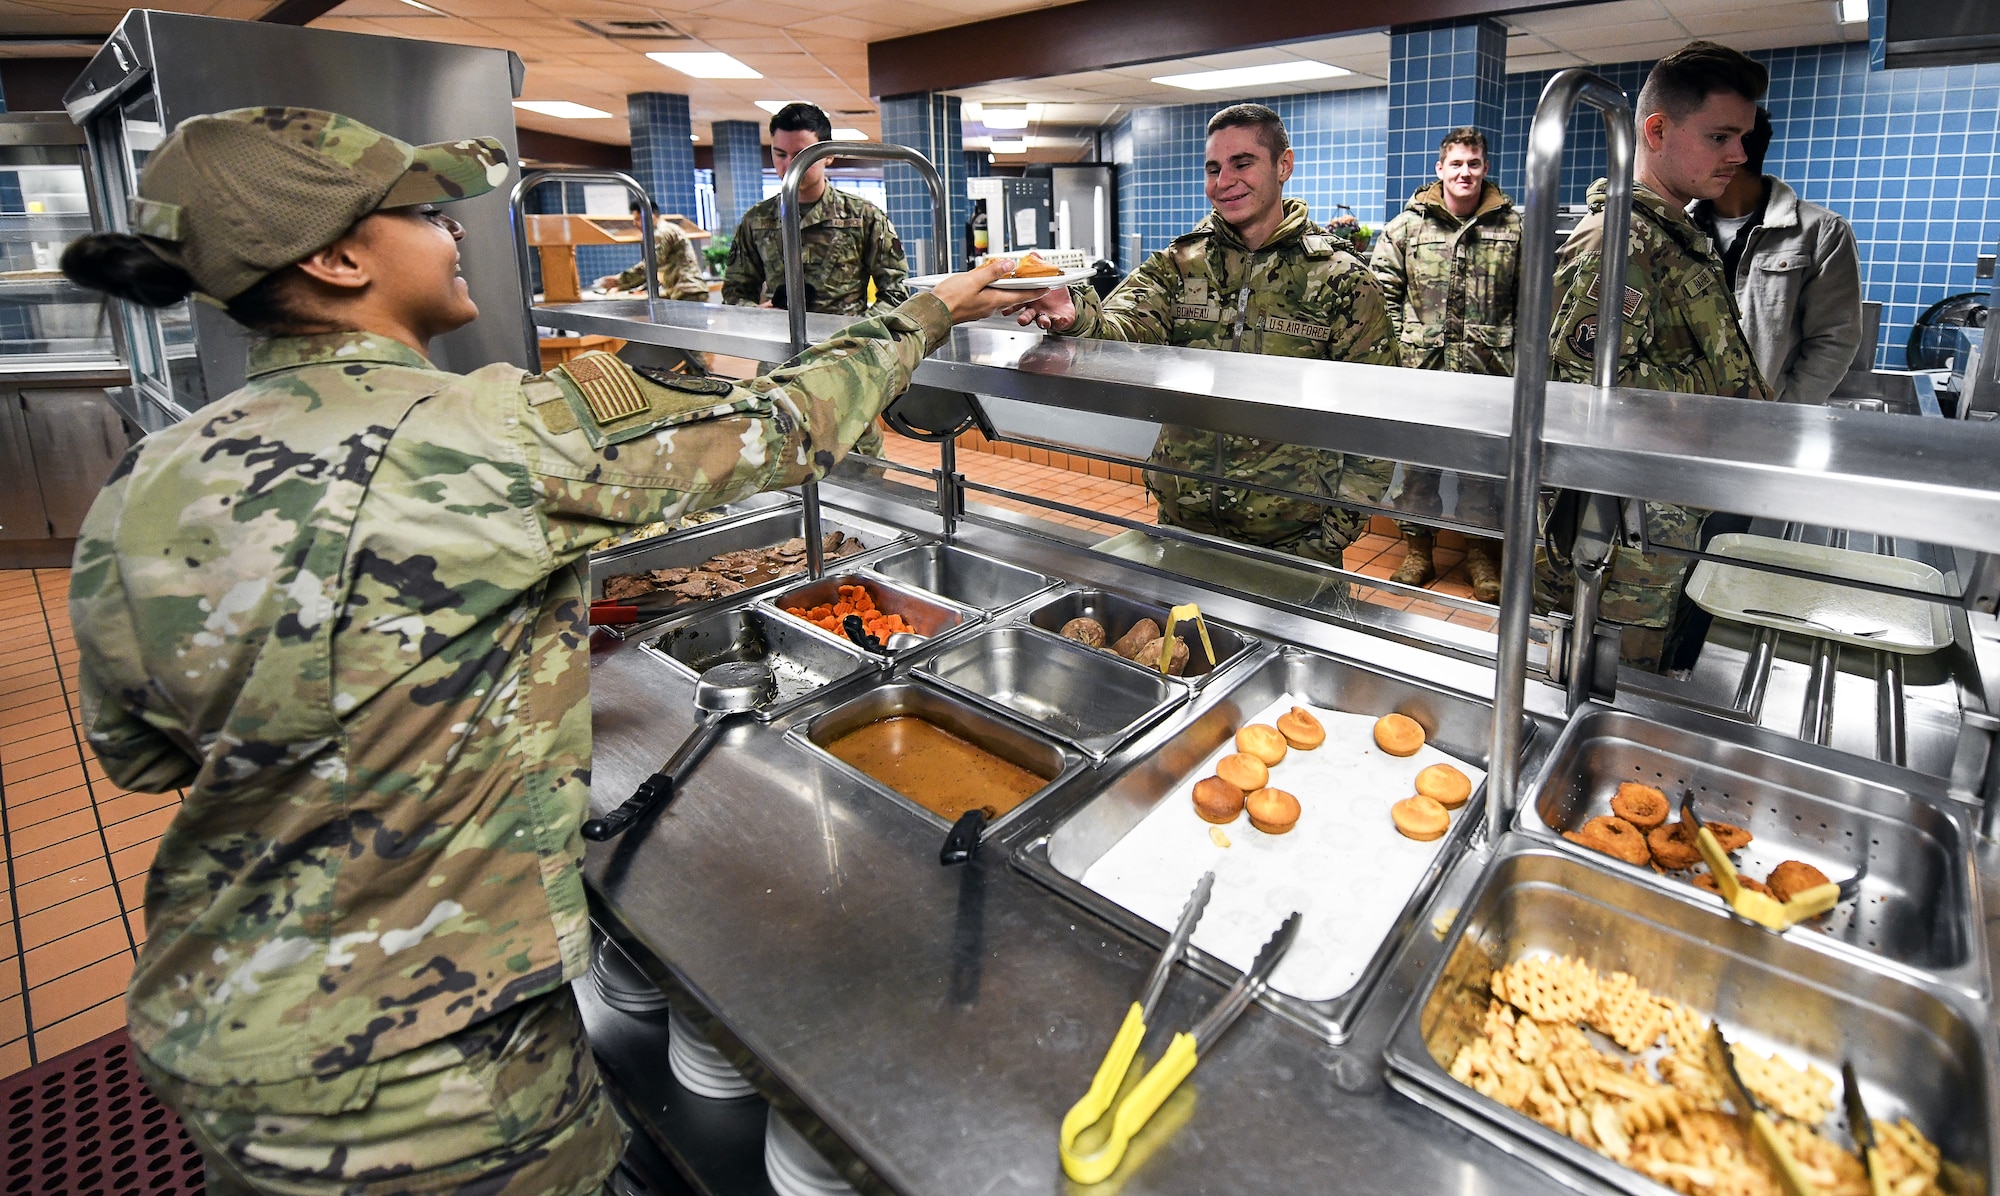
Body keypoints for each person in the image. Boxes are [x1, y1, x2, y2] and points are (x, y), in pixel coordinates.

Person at [58, 106, 1021, 1196]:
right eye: (422, 212)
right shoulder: (487, 432)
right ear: (335, 258)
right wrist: (926, 311)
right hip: (430, 1077)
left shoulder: (147, 480)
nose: (454, 232)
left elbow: (138, 753)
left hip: (218, 1024)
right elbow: (785, 426)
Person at [1016, 103, 1397, 566]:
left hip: (1294, 541)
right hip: (1184, 527)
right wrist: (1072, 311)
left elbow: (1379, 418)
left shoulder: (1340, 280)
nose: (1224, 181)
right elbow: (1119, 332)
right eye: (1213, 168)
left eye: (1243, 163)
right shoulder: (1180, 266)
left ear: (1284, 165)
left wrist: (1333, 531)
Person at [1543, 42, 1775, 672]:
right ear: (1655, 130)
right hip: (1624, 538)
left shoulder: (1675, 235)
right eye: (1721, 136)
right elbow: (1577, 392)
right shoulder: (1620, 239)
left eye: (1743, 138)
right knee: (1611, 684)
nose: (1740, 155)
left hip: (1669, 512)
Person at [1370, 126, 1519, 602]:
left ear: (1485, 168)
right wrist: (1399, 349)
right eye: (1456, 163)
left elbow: (1535, 303)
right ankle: (1418, 550)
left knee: (1481, 474)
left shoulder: (1514, 229)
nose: (1465, 172)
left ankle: (1479, 555)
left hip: (1488, 375)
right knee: (1418, 469)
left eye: (1473, 163)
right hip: (1422, 374)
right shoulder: (1408, 227)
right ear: (1440, 169)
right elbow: (1380, 294)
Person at [1690, 106, 1864, 405]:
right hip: (1679, 417)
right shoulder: (1676, 225)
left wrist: (1785, 414)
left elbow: (1834, 339)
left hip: (1765, 422)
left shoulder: (1821, 231)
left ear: (1734, 154)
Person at [721, 102, 909, 317]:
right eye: (780, 154)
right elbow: (735, 292)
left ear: (828, 154)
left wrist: (859, 332)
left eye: (802, 155)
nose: (791, 164)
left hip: (848, 345)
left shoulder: (863, 216)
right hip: (781, 343)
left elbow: (896, 291)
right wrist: (757, 315)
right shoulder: (756, 220)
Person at [592, 201, 710, 300]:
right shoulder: (669, 229)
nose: (635, 223)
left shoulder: (662, 233)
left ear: (651, 216)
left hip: (687, 292)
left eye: (637, 219)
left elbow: (650, 265)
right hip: (688, 291)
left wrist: (619, 280)